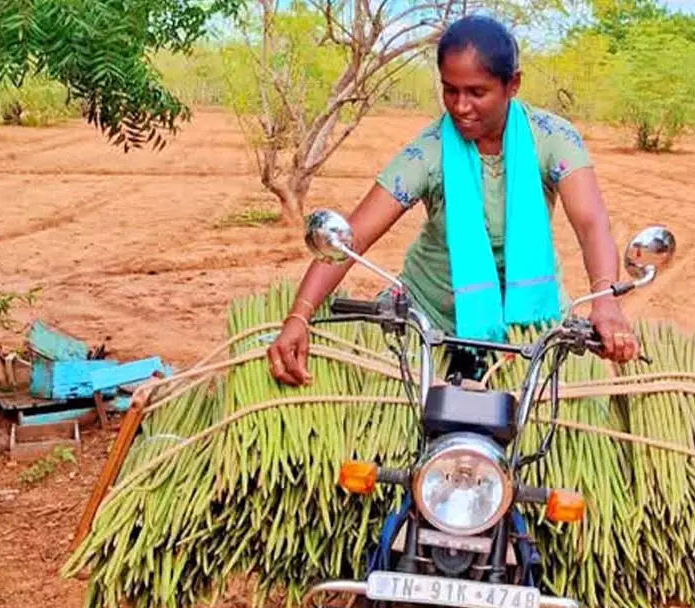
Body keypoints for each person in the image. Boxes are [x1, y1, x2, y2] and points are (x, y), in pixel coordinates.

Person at [265, 13, 639, 386]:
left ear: (512, 84)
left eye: (476, 92)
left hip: (532, 324)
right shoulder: (428, 152)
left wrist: (605, 300)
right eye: (450, 90)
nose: (460, 106)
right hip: (433, 321)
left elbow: (591, 223)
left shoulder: (553, 139)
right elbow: (354, 237)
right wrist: (299, 315)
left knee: (559, 416)